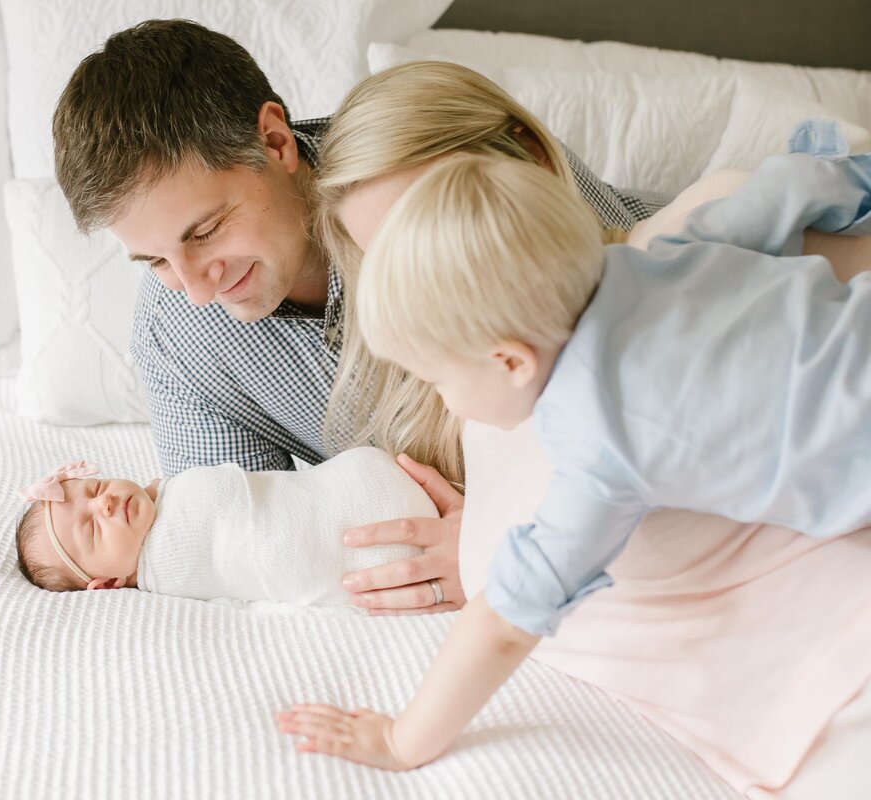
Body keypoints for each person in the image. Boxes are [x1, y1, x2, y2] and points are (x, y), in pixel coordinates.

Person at [275, 144, 871, 769]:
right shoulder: (669, 252)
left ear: (510, 361)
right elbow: (794, 184)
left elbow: (509, 617)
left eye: (441, 380)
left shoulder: (602, 435)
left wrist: (402, 740)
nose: (447, 403)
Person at [50, 22, 665, 614]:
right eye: (156, 259)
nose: (195, 290)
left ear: (274, 140)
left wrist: (494, 543)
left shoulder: (418, 157)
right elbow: (243, 543)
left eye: (207, 231)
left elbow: (636, 357)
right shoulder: (175, 338)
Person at [14, 448, 435, 607]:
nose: (103, 502)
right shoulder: (165, 574)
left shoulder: (166, 498)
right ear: (106, 584)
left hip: (361, 488)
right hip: (361, 549)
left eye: (97, 487)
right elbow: (219, 502)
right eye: (92, 530)